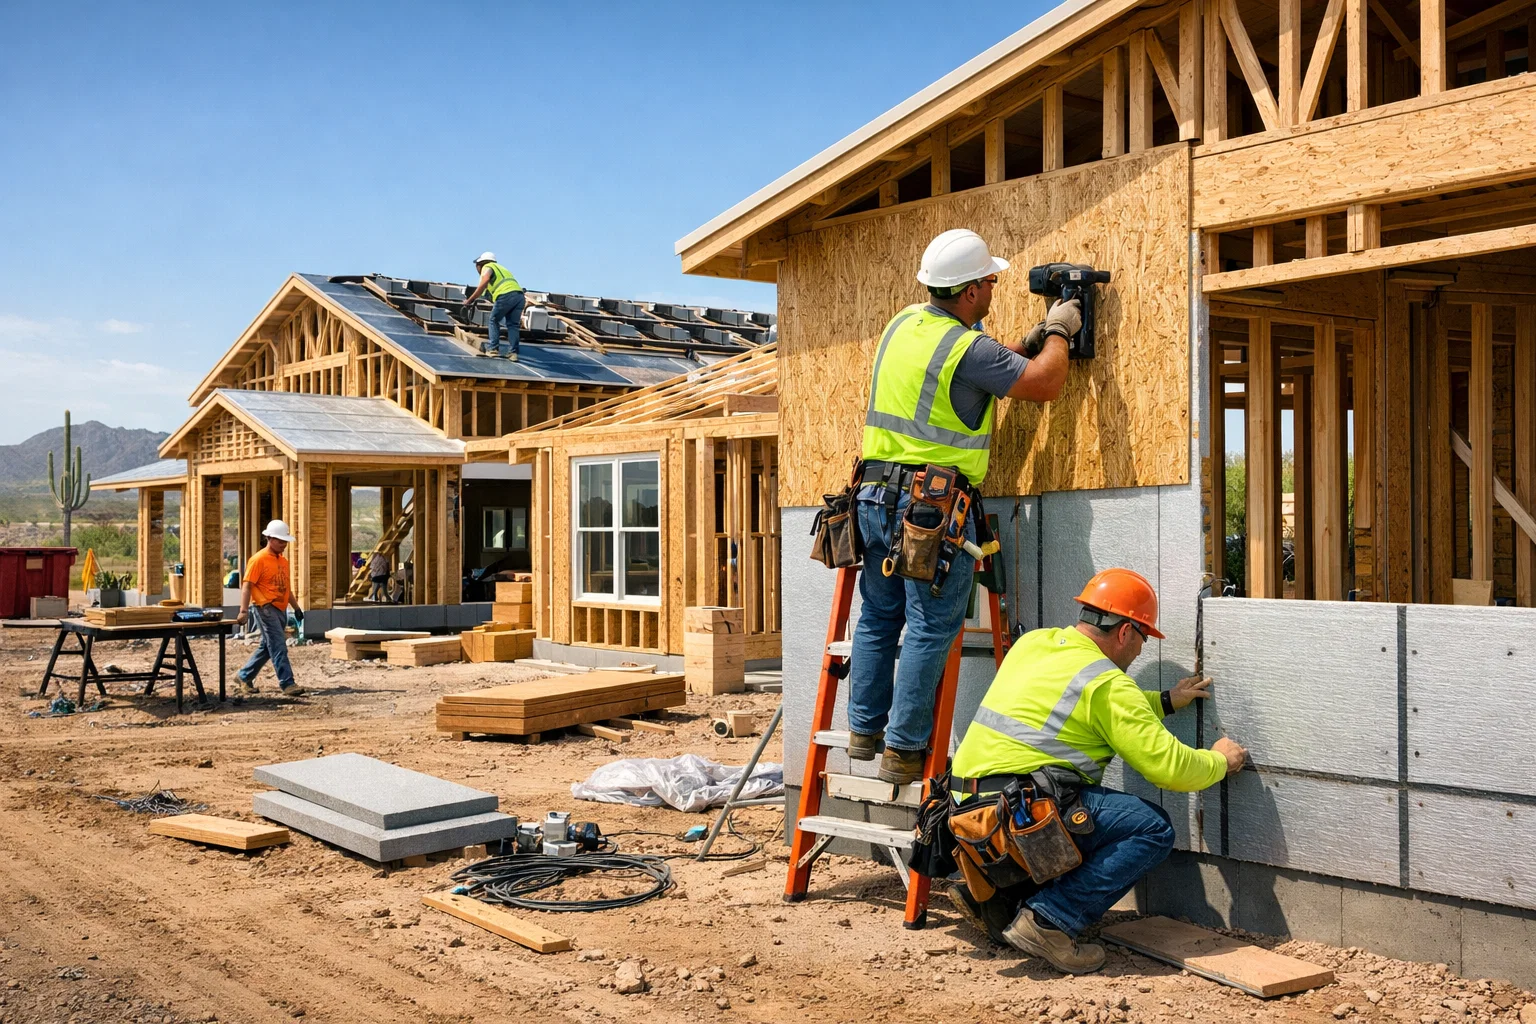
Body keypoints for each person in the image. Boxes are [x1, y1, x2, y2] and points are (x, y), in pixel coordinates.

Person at [851, 228, 1081, 785]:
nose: (996, 286)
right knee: (931, 626)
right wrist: (1058, 332)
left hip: (872, 495)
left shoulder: (904, 323)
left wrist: (1016, 348)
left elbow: (964, 377)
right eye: (992, 280)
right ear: (973, 290)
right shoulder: (968, 348)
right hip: (927, 507)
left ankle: (864, 730)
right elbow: (1045, 384)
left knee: (881, 616)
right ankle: (905, 750)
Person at [945, 567, 1248, 974]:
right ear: (1124, 632)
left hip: (967, 808)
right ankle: (1050, 921)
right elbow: (1170, 768)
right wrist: (1219, 761)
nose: (1141, 650)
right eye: (1143, 638)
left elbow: (1077, 703)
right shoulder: (1107, 685)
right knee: (1151, 828)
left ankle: (998, 898)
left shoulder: (1035, 643)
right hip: (1019, 816)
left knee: (1065, 811)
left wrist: (1163, 701)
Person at [234, 519, 306, 697]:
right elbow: (247, 586)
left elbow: (286, 588)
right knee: (278, 645)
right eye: (281, 541)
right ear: (270, 538)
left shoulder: (283, 561)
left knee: (268, 646)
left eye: (285, 542)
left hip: (280, 608)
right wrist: (243, 611)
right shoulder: (258, 560)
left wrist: (296, 607)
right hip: (265, 607)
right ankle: (287, 683)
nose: (284, 545)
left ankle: (244, 676)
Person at [462, 251, 525, 361]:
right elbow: (487, 293)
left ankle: (493, 349)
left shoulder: (487, 266)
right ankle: (513, 353)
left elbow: (484, 282)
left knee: (493, 320)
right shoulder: (502, 269)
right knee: (513, 325)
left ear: (480, 264)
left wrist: (469, 300)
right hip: (519, 296)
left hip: (505, 295)